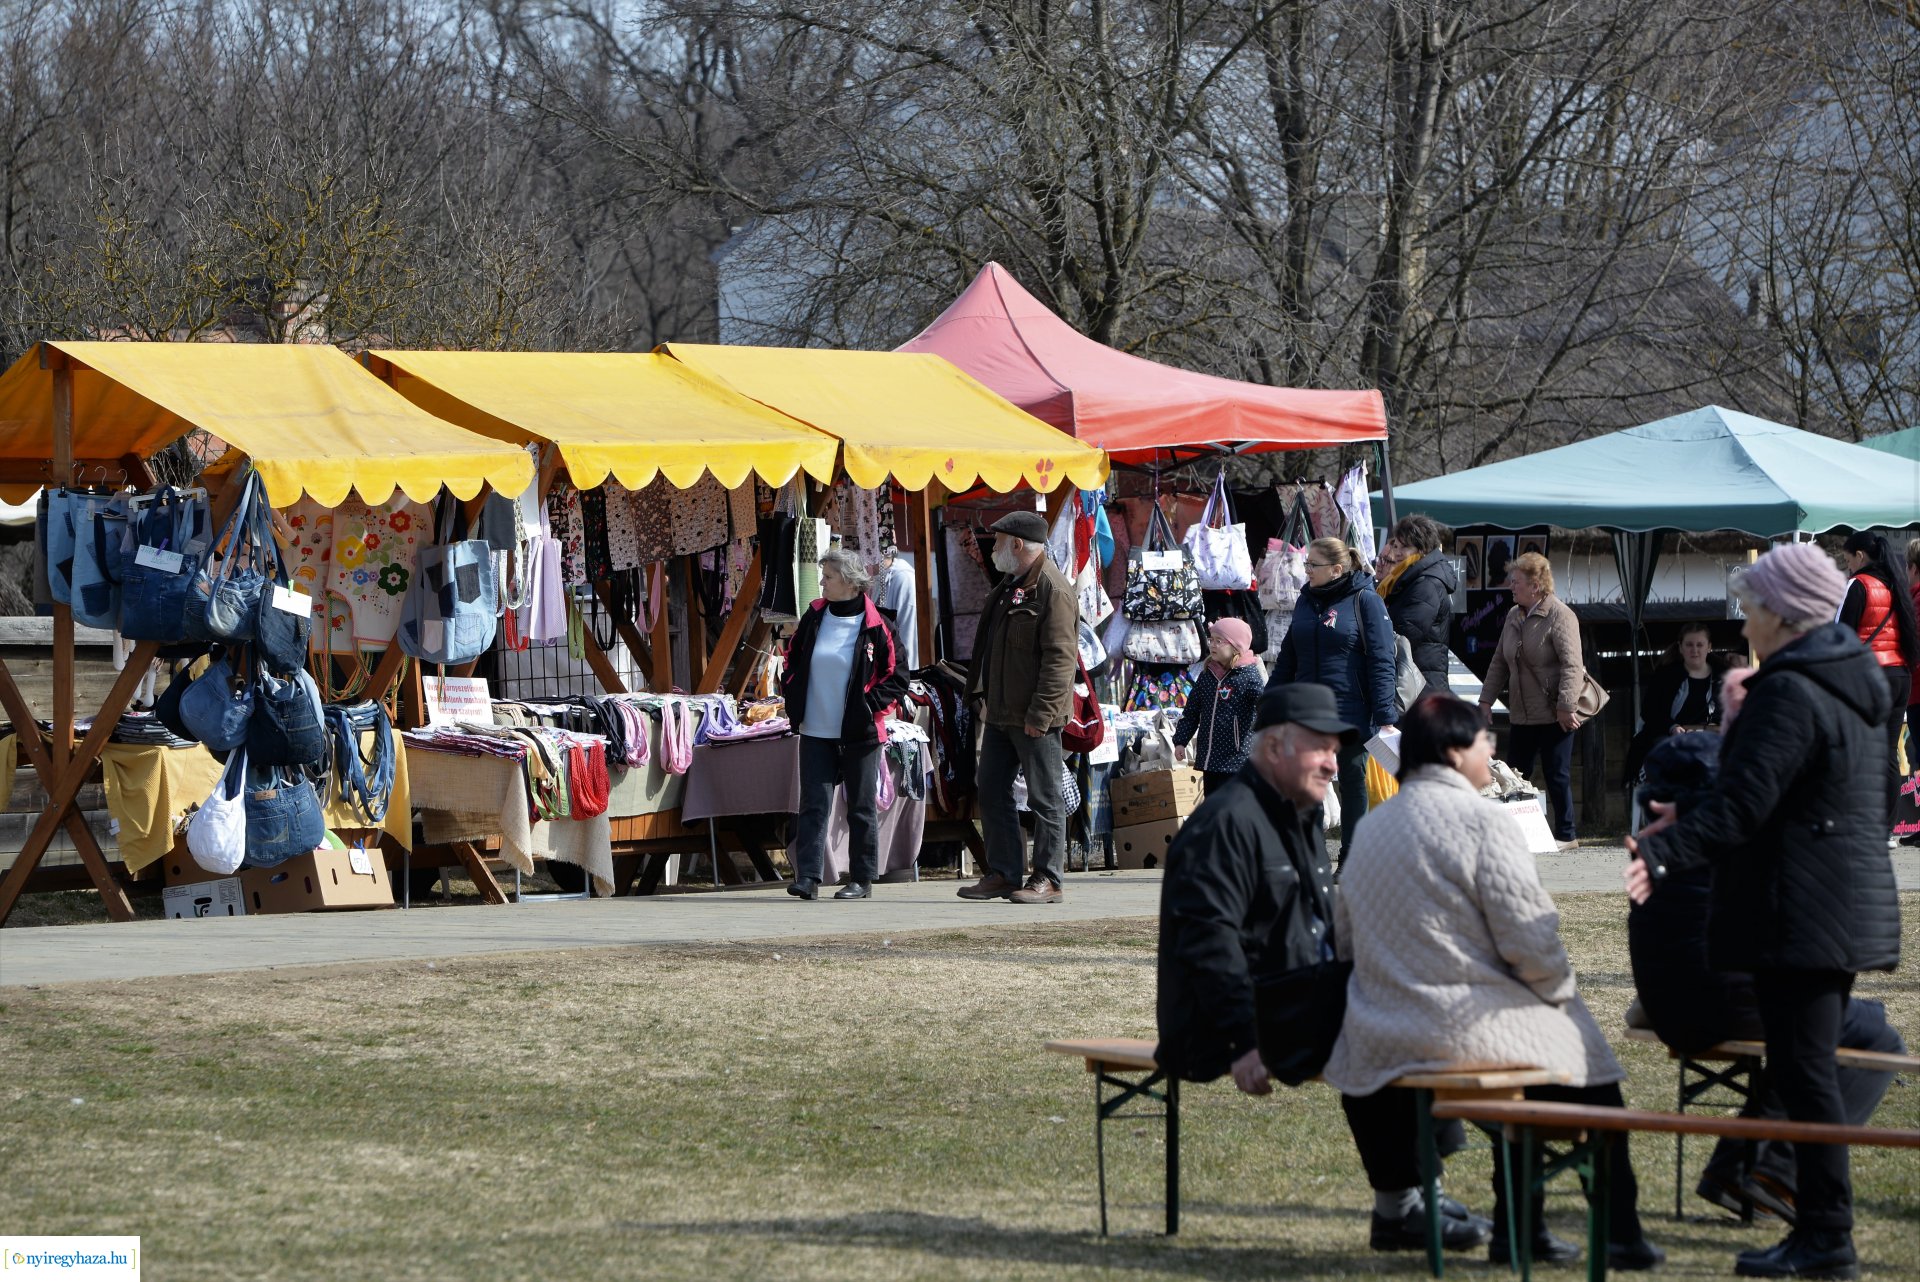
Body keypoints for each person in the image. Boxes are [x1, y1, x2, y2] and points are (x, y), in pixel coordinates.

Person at [1626, 542, 1899, 1281]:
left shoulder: (1788, 687)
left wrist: (1660, 852)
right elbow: (1822, 798)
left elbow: (1749, 805)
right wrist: (1690, 808)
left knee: (1806, 1076)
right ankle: (1816, 1230)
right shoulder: (1853, 682)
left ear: (1781, 613)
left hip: (1800, 909)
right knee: (1804, 1070)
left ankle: (1827, 1239)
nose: (1743, 620)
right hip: (1834, 901)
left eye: (1750, 606)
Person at [1329, 693, 1665, 1271]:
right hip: (1464, 1031)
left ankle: (1525, 1229)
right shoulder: (1486, 823)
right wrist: (1560, 994)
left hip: (1381, 1032)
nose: (1494, 749)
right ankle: (1610, 1230)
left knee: (1532, 1076)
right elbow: (1531, 942)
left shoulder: (1372, 829)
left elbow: (1344, 941)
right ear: (1456, 752)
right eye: (1487, 739)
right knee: (1591, 1074)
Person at [1155, 683, 1491, 1256]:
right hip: (1224, 1023)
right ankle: (1408, 1206)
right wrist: (1242, 1042)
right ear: (1274, 748)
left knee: (1400, 1001)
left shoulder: (1301, 811)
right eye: (1322, 750)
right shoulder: (1226, 823)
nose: (1335, 764)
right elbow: (1208, 945)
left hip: (1293, 1002)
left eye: (1338, 750)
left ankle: (1410, 1201)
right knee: (1386, 1023)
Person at [1627, 730, 1907, 1226]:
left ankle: (1732, 1170)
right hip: (1727, 1004)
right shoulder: (1733, 834)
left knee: (1819, 1026)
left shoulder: (1652, 839)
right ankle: (1778, 1171)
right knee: (1875, 1036)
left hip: (1669, 1007)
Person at [959, 510, 1080, 905]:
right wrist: (980, 698)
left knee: (1045, 798)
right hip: (1000, 714)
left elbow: (1061, 660)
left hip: (1034, 717)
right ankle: (1004, 873)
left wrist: (1040, 715)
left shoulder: (1053, 590)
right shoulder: (1010, 586)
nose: (991, 550)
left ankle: (1048, 879)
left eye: (996, 542)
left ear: (1016, 544)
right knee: (991, 790)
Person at [778, 549, 910, 901]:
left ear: (850, 582)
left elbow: (897, 677)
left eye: (828, 576)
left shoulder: (878, 623)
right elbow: (791, 657)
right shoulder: (815, 616)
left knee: (861, 808)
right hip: (815, 729)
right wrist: (790, 687)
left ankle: (862, 879)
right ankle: (807, 877)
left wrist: (869, 707)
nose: (821, 582)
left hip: (859, 732)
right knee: (813, 805)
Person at [1266, 535, 1397, 864]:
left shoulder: (1365, 600)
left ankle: (1352, 856)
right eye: (1306, 562)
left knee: (1353, 779)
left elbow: (1382, 659)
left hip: (1352, 708)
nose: (1306, 569)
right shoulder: (1305, 601)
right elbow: (1287, 659)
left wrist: (1385, 713)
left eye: (1313, 564)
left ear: (1337, 568)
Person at [1479, 551, 1585, 849]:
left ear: (1536, 585)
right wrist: (1486, 700)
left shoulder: (1561, 616)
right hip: (1522, 713)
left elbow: (1572, 665)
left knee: (1557, 775)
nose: (1511, 586)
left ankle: (1566, 835)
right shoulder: (1514, 616)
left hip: (1554, 713)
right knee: (1514, 774)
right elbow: (1499, 661)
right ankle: (1514, 835)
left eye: (1517, 582)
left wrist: (1566, 706)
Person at [1837, 531, 1918, 834]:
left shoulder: (1859, 585)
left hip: (1868, 676)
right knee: (1887, 754)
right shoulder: (1897, 584)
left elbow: (1840, 636)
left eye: (1847, 560)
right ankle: (1886, 831)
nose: (1848, 567)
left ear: (1860, 556)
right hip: (1900, 676)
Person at [1622, 622, 1728, 787]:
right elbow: (1650, 712)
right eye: (1689, 645)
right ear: (1681, 647)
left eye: (1700, 645)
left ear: (1709, 647)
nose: (1695, 650)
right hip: (1669, 735)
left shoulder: (1723, 676)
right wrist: (1672, 727)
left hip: (1709, 736)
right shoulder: (1666, 675)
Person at [1173, 617, 1265, 795]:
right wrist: (1181, 741)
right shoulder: (1207, 675)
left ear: (1236, 647)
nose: (1212, 645)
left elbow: (1264, 706)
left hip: (1238, 760)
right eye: (1211, 640)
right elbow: (1191, 712)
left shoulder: (1249, 676)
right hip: (1210, 760)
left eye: (1219, 641)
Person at [1378, 514, 1459, 694]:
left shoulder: (1426, 583)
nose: (1397, 553)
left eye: (1405, 547)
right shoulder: (1409, 579)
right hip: (1415, 680)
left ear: (1421, 550)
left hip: (1420, 684)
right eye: (1397, 546)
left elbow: (1406, 632)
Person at [870, 545, 919, 671]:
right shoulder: (875, 577)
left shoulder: (904, 579)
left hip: (897, 676)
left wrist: (907, 677)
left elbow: (909, 636)